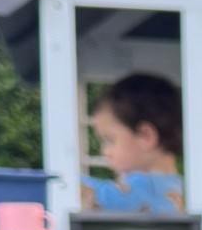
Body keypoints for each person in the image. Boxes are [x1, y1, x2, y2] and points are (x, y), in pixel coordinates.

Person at [80, 73, 186, 214]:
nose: (105, 151)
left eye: (110, 140)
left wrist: (62, 180)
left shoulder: (149, 189)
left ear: (145, 136)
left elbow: (84, 190)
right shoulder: (180, 188)